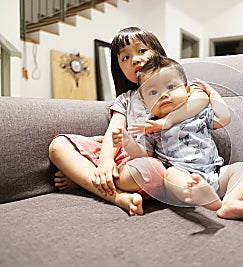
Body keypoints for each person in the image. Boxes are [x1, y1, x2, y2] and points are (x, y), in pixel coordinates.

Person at [49, 26, 210, 216]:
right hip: (122, 154)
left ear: (157, 53)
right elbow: (114, 132)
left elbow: (201, 98)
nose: (135, 59)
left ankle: (87, 180)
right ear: (120, 70)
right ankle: (113, 192)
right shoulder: (126, 99)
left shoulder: (177, 88)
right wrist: (105, 162)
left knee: (152, 170)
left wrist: (166, 121)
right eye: (125, 58)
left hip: (152, 163)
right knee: (58, 146)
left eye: (142, 51)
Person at [113, 55, 243, 219]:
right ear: (145, 103)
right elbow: (144, 155)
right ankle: (197, 193)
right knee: (169, 175)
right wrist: (127, 142)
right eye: (153, 92)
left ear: (187, 90)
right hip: (180, 178)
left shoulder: (197, 113)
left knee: (242, 169)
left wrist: (212, 94)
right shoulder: (150, 126)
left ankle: (230, 202)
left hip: (215, 174)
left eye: (170, 86)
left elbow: (224, 118)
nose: (163, 95)